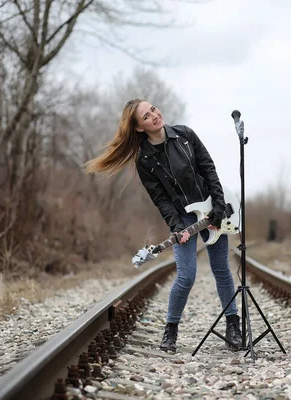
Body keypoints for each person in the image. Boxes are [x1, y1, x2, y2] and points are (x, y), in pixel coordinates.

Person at [84, 98, 243, 353]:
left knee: (221, 269)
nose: (155, 116)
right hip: (183, 217)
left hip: (211, 207)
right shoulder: (144, 160)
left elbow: (209, 169)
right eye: (146, 116)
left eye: (154, 109)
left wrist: (219, 206)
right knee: (186, 275)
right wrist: (176, 225)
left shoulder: (185, 135)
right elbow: (160, 199)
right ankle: (170, 330)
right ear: (139, 128)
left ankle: (233, 326)